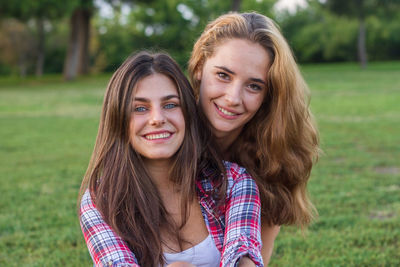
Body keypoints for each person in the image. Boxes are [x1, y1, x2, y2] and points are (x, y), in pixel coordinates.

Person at [80, 11, 320, 265]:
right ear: (198, 69)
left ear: (267, 96)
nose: (232, 98)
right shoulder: (104, 198)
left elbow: (250, 256)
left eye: (254, 86)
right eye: (223, 75)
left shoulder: (248, 176)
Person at [79, 51, 263, 267]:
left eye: (170, 105)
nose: (157, 119)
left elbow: (245, 257)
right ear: (119, 120)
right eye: (140, 108)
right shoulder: (101, 200)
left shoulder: (233, 182)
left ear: (187, 113)